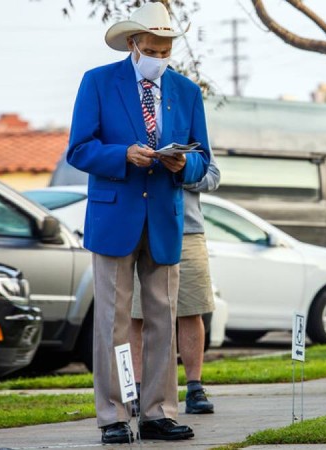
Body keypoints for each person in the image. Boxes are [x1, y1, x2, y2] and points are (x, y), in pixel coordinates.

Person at [66, 3, 209, 443]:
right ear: (133, 43)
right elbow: (79, 149)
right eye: (151, 49)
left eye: (165, 50)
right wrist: (122, 154)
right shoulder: (97, 82)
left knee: (164, 317)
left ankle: (158, 413)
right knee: (112, 320)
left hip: (166, 217)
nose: (159, 57)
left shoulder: (187, 91)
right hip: (114, 217)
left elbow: (202, 158)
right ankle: (112, 416)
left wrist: (182, 165)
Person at [130, 153, 221, 415]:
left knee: (192, 309)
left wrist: (182, 170)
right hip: (143, 228)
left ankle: (194, 388)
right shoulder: (132, 131)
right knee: (137, 314)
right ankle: (138, 389)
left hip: (187, 230)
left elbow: (213, 176)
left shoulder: (189, 131)